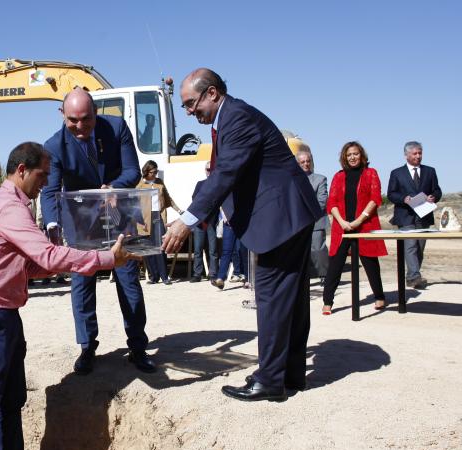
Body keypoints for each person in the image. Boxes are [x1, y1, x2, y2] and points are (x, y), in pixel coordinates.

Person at [0, 141, 137, 450]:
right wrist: (104, 259)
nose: (46, 182)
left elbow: (30, 264)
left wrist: (82, 252)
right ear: (22, 170)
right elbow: (47, 258)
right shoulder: (9, 207)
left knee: (9, 404)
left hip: (1, 316)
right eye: (42, 175)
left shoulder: (14, 205)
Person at [162, 68, 323, 402]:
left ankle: (269, 381)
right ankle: (288, 374)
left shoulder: (236, 117)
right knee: (290, 299)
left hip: (282, 217)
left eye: (191, 104)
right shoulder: (229, 119)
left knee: (272, 296)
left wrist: (186, 222)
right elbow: (218, 176)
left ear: (212, 93)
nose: (190, 112)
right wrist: (187, 212)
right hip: (289, 213)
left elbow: (226, 175)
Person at [40, 88, 155, 375]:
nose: (80, 126)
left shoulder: (116, 127)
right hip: (82, 222)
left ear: (96, 111)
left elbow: (133, 171)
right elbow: (51, 190)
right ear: (62, 116)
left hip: (119, 216)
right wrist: (53, 224)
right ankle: (87, 346)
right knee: (82, 284)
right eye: (73, 120)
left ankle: (138, 347)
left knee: (128, 281)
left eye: (87, 119)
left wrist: (113, 188)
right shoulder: (54, 146)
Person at [322, 141, 388, 314]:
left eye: (355, 154)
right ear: (344, 157)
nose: (352, 157)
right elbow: (332, 202)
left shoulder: (370, 173)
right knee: (335, 264)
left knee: (370, 263)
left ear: (362, 155)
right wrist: (342, 221)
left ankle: (379, 297)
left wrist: (359, 220)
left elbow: (375, 199)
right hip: (342, 227)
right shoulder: (339, 176)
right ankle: (327, 301)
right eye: (349, 154)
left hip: (365, 225)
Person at [387, 141, 442, 289]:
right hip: (405, 216)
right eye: (415, 153)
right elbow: (391, 194)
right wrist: (403, 199)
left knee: (419, 247)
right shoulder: (396, 173)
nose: (418, 156)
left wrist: (433, 197)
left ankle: (412, 276)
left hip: (424, 215)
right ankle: (414, 277)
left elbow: (437, 190)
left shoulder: (430, 171)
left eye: (420, 153)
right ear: (406, 155)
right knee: (410, 246)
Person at [136, 160, 181, 284]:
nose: (155, 174)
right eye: (153, 172)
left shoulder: (159, 183)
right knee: (148, 249)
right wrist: (138, 220)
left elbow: (168, 198)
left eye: (156, 172)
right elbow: (135, 205)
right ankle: (153, 277)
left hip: (158, 216)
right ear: (146, 171)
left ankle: (164, 277)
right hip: (144, 219)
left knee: (161, 247)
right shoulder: (140, 186)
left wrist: (179, 210)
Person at [298, 148, 329, 282]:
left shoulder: (320, 179)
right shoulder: (293, 180)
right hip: (298, 223)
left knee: (318, 249)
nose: (306, 164)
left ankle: (324, 275)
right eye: (302, 162)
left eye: (308, 161)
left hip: (316, 220)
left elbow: (321, 202)